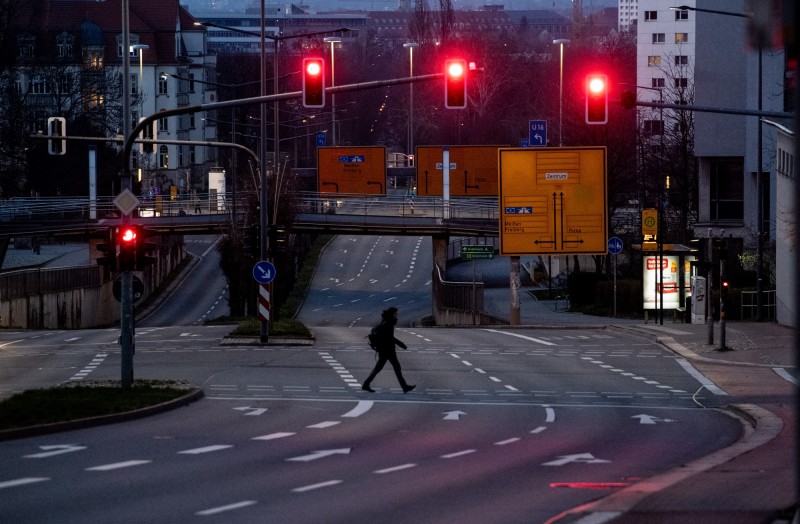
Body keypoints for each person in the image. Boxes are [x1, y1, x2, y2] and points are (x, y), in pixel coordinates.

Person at [362, 307, 415, 393]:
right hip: (388, 350)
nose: (397, 315)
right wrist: (401, 344)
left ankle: (366, 384)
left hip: (384, 349)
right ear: (392, 314)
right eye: (395, 313)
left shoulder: (386, 321)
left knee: (380, 368)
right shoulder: (389, 323)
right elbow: (390, 338)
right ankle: (404, 387)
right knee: (395, 367)